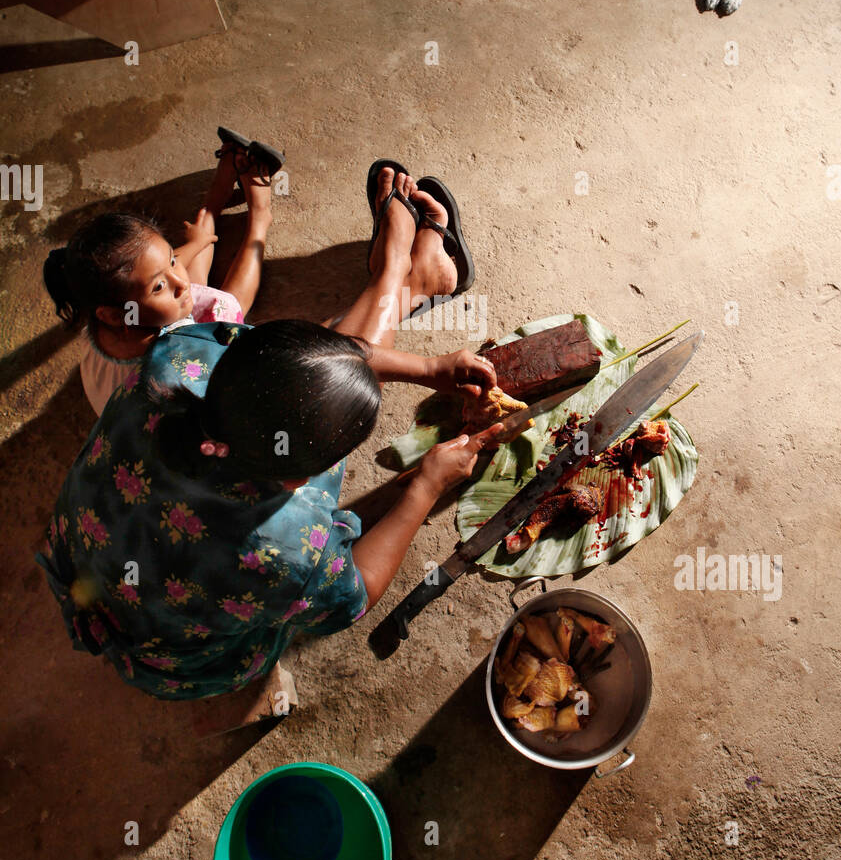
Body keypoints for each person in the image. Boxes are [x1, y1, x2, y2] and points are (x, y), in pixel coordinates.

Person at [36, 165, 502, 700]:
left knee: (306, 375)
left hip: (88, 573)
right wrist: (427, 486)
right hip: (173, 660)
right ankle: (403, 279)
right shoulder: (287, 553)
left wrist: (430, 368)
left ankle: (400, 277)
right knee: (313, 386)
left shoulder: (174, 357)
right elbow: (357, 595)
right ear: (304, 475)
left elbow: (303, 359)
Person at [42, 129, 278, 415]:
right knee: (226, 304)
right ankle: (260, 218)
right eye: (158, 287)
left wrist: (196, 244)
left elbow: (156, 272)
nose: (180, 281)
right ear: (115, 314)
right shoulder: (178, 353)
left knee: (180, 281)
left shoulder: (105, 311)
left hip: (154, 332)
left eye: (172, 259)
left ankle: (214, 202)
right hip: (168, 398)